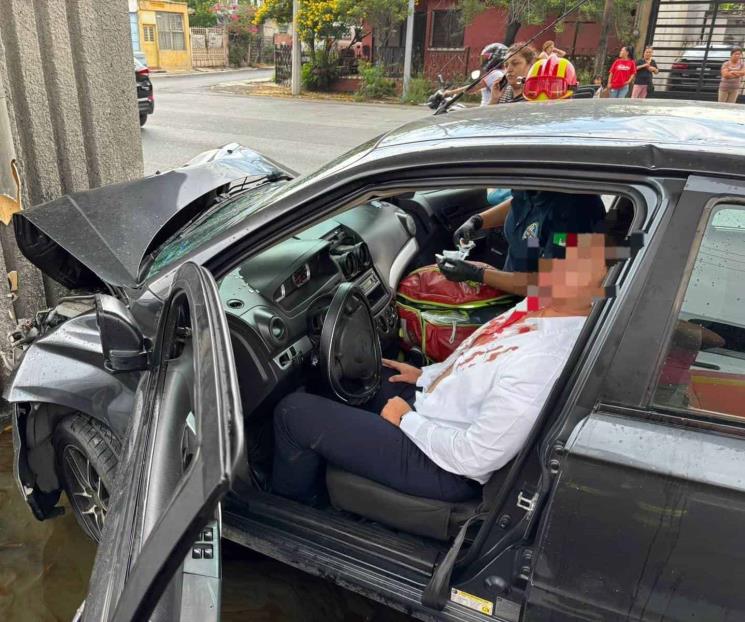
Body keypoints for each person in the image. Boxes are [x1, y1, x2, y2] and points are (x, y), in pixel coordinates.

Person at [272, 234, 612, 505]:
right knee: (347, 380)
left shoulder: (544, 360)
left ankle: (290, 511)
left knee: (293, 413)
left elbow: (475, 458)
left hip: (444, 465)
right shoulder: (540, 304)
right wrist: (425, 376)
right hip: (435, 406)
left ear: (600, 289)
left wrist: (406, 419)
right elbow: (477, 353)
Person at [443, 190, 606, 296]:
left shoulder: (574, 214)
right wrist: (478, 220)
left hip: (539, 309)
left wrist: (479, 273)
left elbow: (548, 285)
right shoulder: (531, 187)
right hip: (510, 287)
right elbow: (519, 204)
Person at [443, 43, 508, 107]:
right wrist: (478, 91)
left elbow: (471, 88)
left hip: (485, 110)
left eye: (487, 57)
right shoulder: (504, 73)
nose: (484, 60)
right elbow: (489, 89)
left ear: (495, 58)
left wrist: (449, 92)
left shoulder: (494, 74)